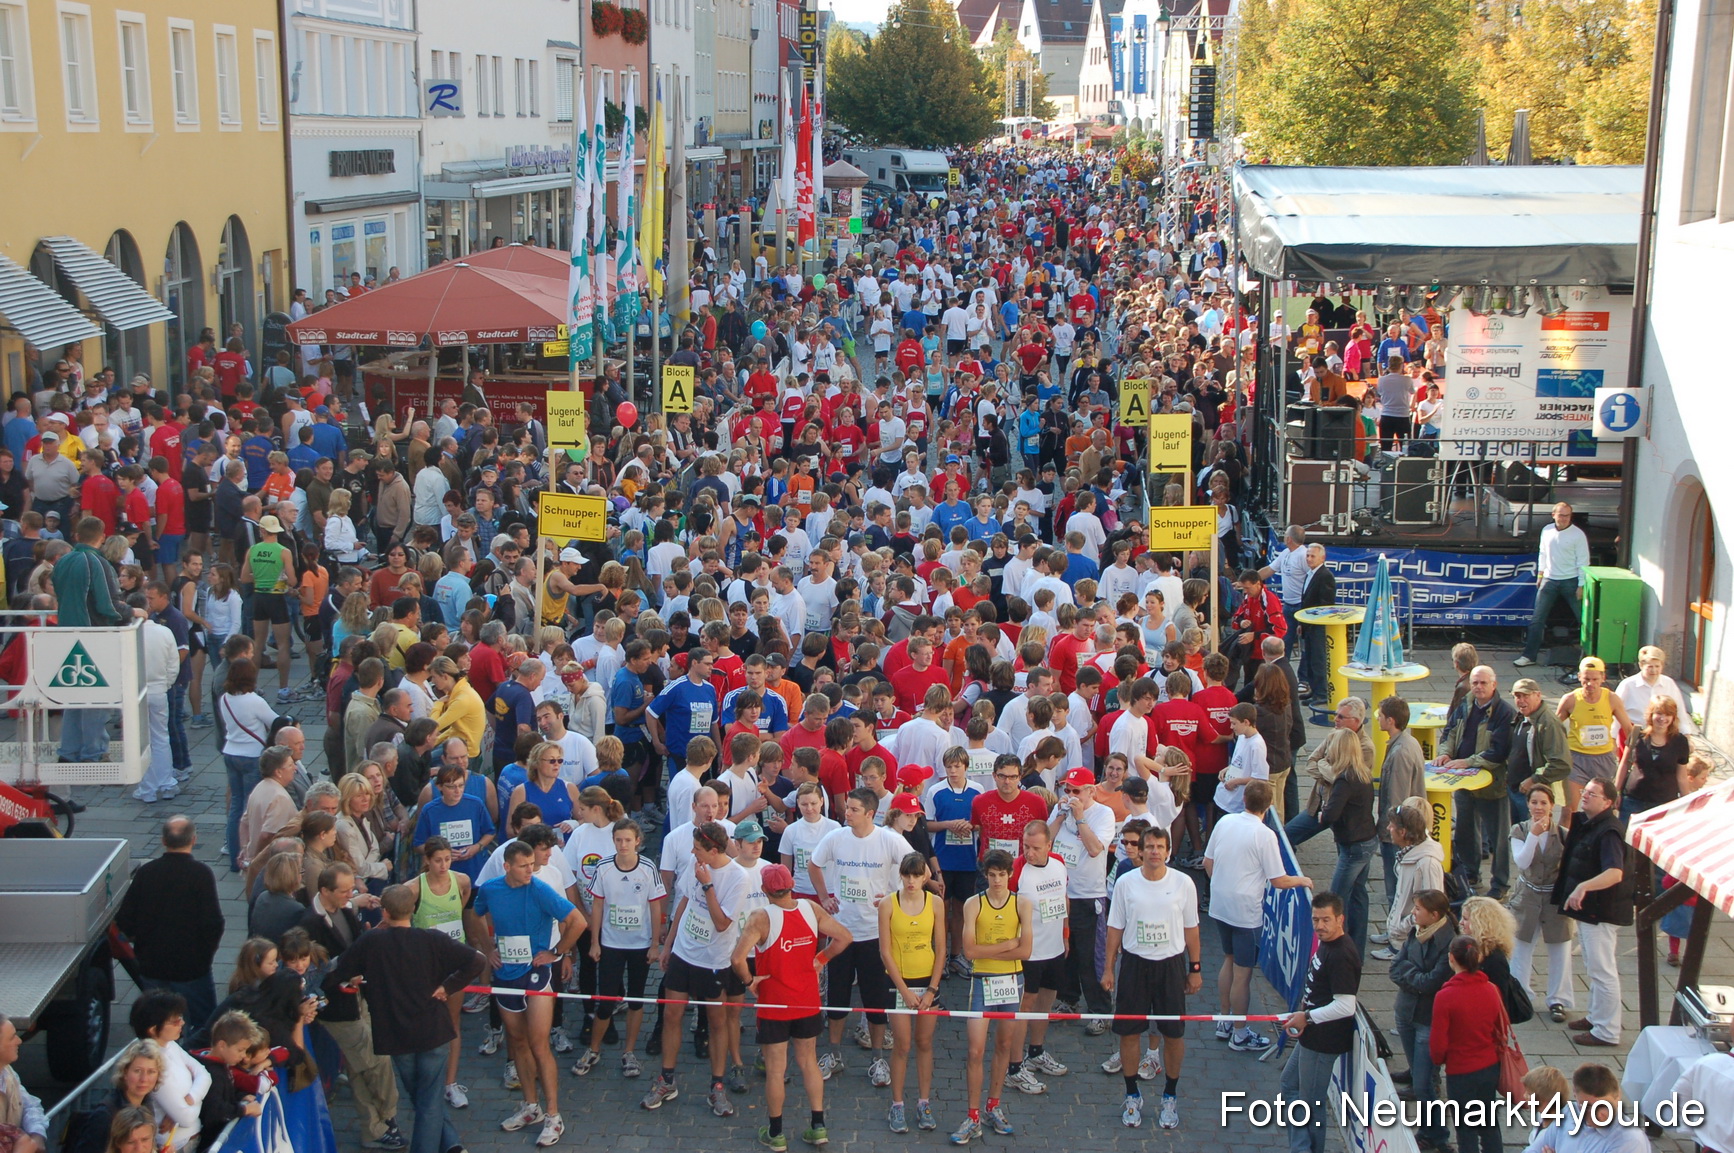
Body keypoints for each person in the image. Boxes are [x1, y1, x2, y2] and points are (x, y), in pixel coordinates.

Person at [324, 884, 486, 1153]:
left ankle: (443, 1146)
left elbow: (337, 971)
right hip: (433, 1030)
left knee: (423, 1098)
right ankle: (450, 1144)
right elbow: (476, 961)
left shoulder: (372, 942)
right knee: (428, 1099)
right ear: (413, 909)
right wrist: (448, 987)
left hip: (396, 1033)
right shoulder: (432, 939)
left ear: (384, 912)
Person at [731, 863, 853, 1151]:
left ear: (764, 890)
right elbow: (844, 937)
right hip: (807, 1000)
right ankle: (818, 1126)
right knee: (808, 1062)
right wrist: (820, 960)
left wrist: (750, 980)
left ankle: (776, 1133)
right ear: (790, 886)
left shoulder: (761, 917)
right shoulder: (811, 909)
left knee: (775, 1070)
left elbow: (738, 959)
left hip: (774, 1004)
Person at [473, 840, 586, 1147]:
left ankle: (553, 1114)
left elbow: (577, 921)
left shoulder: (538, 889)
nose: (530, 870)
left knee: (539, 1044)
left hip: (536, 976)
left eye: (531, 864)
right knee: (518, 1042)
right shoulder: (492, 889)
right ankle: (530, 1106)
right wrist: (487, 947)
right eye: (523, 866)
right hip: (505, 975)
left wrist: (557, 953)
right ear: (507, 866)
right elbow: (473, 913)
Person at [806, 788, 915, 1085]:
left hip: (874, 935)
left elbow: (919, 873)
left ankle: (878, 1059)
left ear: (870, 814)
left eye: (853, 809)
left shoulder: (889, 840)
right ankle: (834, 1055)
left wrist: (896, 897)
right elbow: (813, 865)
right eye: (848, 808)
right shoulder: (836, 838)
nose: (847, 813)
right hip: (841, 933)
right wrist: (823, 897)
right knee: (837, 997)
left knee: (876, 999)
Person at [643, 821, 750, 1117]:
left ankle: (717, 1086)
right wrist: (669, 945)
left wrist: (708, 885)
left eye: (698, 848)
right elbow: (686, 902)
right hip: (683, 954)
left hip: (714, 961)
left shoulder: (737, 877)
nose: (692, 853)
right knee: (671, 1014)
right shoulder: (695, 862)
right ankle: (666, 1078)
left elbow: (721, 922)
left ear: (713, 850)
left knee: (717, 1022)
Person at [1102, 825, 1201, 1132]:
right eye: (1150, 847)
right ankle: (1132, 1095)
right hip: (1134, 965)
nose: (1155, 851)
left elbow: (1192, 928)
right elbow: (1115, 927)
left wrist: (1194, 968)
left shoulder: (1184, 883)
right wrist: (1108, 968)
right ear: (1141, 851)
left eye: (1161, 847)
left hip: (1170, 966)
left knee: (1173, 1034)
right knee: (1130, 1034)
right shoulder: (1126, 883)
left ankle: (1169, 1095)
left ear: (1169, 852)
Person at [1203, 780, 1311, 1052]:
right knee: (1243, 972)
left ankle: (1224, 1019)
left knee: (1227, 961)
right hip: (1245, 911)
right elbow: (1278, 880)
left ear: (1244, 799)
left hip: (1220, 903)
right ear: (1270, 805)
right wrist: (1303, 881)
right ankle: (1239, 1033)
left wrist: (1222, 885)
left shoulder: (1225, 823)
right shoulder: (1265, 835)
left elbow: (1207, 862)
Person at [948, 848, 1034, 1145]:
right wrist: (1007, 944)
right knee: (974, 1050)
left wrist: (1002, 948)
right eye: (992, 875)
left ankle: (993, 1106)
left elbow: (1025, 952)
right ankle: (972, 1115)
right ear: (985, 875)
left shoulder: (1022, 904)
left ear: (1011, 875)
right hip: (983, 979)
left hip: (1012, 980)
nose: (997, 880)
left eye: (1002, 875)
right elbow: (969, 951)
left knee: (1005, 1045)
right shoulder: (974, 904)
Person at [574, 818, 666, 1079]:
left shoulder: (648, 868)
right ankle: (593, 1049)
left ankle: (629, 1052)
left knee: (636, 1000)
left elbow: (655, 905)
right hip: (611, 944)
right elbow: (598, 906)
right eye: (618, 840)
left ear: (638, 841)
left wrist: (654, 945)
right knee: (606, 1001)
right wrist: (595, 942)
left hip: (639, 946)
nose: (623, 845)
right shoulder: (603, 868)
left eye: (628, 840)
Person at [116, 817, 225, 1029]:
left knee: (156, 1023)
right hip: (191, 968)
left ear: (163, 841)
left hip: (152, 965)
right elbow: (212, 922)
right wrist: (204, 957)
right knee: (203, 1024)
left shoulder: (146, 873)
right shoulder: (200, 874)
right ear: (194, 839)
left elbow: (125, 919)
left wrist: (139, 944)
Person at [1279, 892, 1363, 1153]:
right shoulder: (1327, 945)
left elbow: (1346, 1005)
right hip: (1311, 1034)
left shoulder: (1341, 955)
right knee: (1289, 1085)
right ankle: (1301, 1147)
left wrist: (1308, 1017)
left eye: (1326, 920)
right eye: (1316, 920)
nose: (1319, 926)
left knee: (1311, 1104)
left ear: (1340, 919)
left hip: (1323, 1040)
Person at [1551, 777, 1631, 1047]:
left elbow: (1615, 872)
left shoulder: (1609, 831)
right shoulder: (1588, 823)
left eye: (1592, 794)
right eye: (1585, 791)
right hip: (1590, 911)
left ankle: (1607, 1031)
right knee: (1593, 965)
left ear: (1608, 802)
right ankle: (1597, 1016)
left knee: (1602, 970)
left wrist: (1583, 887)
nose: (1585, 796)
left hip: (1601, 912)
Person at [1433, 666, 1517, 899]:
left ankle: (1500, 885)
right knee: (1465, 831)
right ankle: (1471, 874)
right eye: (1475, 682)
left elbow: (1499, 752)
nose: (1478, 687)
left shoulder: (1504, 712)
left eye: (1483, 683)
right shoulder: (1465, 705)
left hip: (1492, 786)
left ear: (1494, 684)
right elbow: (1449, 732)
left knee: (1498, 838)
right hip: (1464, 784)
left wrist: (1467, 762)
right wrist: (1445, 753)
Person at [878, 850, 945, 1132]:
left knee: (925, 1043)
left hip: (927, 980)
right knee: (903, 1045)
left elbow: (941, 948)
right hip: (898, 983)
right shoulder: (887, 904)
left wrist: (932, 989)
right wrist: (904, 990)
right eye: (907, 875)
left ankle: (923, 1101)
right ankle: (896, 1105)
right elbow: (884, 952)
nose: (911, 881)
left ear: (924, 877)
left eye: (917, 876)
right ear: (901, 875)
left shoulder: (936, 903)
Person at [1387, 890, 1456, 1153]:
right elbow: (1395, 967)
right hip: (1406, 1012)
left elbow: (1431, 983)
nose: (1413, 912)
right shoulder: (1418, 931)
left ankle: (1435, 1136)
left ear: (1434, 914)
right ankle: (1430, 1130)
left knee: (1426, 1084)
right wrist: (1416, 977)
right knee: (1420, 1077)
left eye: (1418, 908)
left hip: (1428, 1019)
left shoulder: (1448, 943)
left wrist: (1411, 976)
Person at [1429, 935, 1507, 1153]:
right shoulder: (1491, 989)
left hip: (1461, 1070)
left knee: (1466, 1129)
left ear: (1451, 958)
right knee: (1489, 1124)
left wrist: (1440, 1060)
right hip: (1489, 1066)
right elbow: (1499, 1029)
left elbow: (1438, 1043)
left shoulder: (1445, 996)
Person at [1509, 785, 1576, 1025]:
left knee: (1560, 949)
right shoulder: (1519, 830)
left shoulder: (1565, 834)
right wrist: (1534, 835)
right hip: (1527, 895)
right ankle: (1520, 995)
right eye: (1534, 802)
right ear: (1527, 805)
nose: (1538, 807)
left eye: (1543, 803)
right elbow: (1522, 861)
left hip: (1553, 898)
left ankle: (1558, 999)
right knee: (1521, 947)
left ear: (1552, 806)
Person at [1317, 728, 1377, 958]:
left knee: (1336, 899)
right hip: (1366, 840)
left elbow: (1330, 815)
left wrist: (1324, 813)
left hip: (1353, 845)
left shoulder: (1345, 779)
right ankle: (1356, 951)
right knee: (1359, 895)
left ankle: (1337, 953)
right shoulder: (1362, 773)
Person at [1557, 657, 1633, 824]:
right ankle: (1564, 847)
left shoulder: (1611, 699)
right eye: (1586, 680)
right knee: (1569, 809)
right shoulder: (1570, 699)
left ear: (1603, 678)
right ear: (1579, 677)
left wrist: (1632, 754)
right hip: (1576, 759)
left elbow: (1628, 729)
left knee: (1604, 810)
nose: (1590, 684)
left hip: (1603, 758)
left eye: (1595, 680)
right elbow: (1554, 727)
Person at [1515, 503, 1589, 668]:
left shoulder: (1578, 535)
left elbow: (1583, 561)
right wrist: (1540, 574)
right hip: (1549, 579)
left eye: (1567, 516)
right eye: (1561, 515)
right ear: (1553, 514)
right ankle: (1529, 656)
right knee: (1537, 619)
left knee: (1583, 620)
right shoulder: (1547, 530)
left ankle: (1590, 658)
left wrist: (1581, 585)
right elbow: (1542, 553)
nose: (1563, 519)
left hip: (1571, 580)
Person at [0, 1018, 49, 1153]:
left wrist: (37, 1134)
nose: (19, 1041)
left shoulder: (7, 1071)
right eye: (11, 1038)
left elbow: (29, 1104)